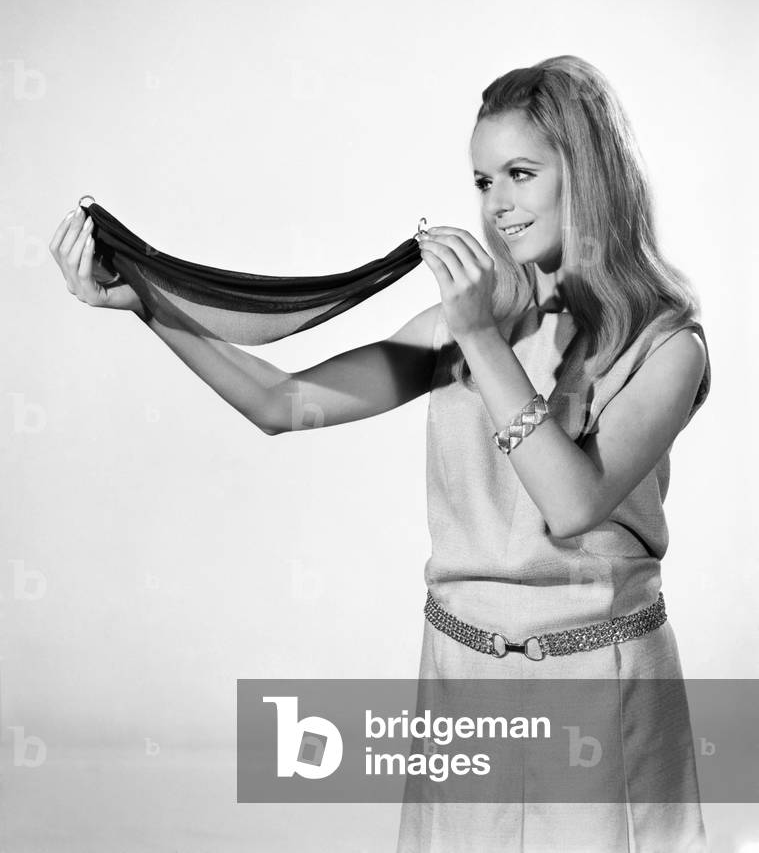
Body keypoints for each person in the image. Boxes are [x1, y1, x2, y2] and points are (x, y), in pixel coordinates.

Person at [49, 55, 711, 852]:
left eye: (519, 174)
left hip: (600, 690)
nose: (495, 204)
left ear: (589, 171)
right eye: (481, 180)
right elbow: (280, 403)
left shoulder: (667, 345)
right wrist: (147, 305)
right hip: (462, 679)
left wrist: (474, 334)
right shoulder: (470, 325)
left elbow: (572, 503)